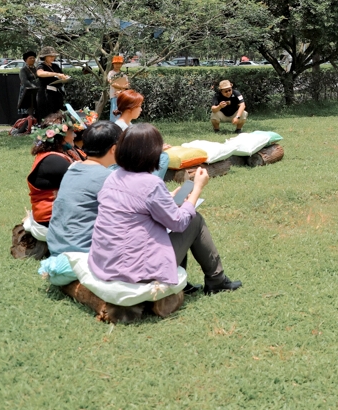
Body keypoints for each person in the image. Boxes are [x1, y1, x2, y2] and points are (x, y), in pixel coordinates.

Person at [88, 123, 242, 294]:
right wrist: (197, 188)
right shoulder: (151, 183)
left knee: (177, 215)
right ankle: (217, 280)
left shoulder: (113, 177)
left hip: (107, 263)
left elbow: (136, 207)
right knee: (194, 220)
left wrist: (168, 198)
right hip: (137, 270)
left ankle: (186, 282)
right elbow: (179, 223)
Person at [46, 121, 120, 255]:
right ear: (114, 149)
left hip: (56, 252)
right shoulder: (109, 178)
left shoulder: (72, 169)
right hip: (84, 255)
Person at [26, 114, 77, 226]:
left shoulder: (54, 156)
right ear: (62, 136)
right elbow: (83, 183)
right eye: (71, 132)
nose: (74, 135)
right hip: (51, 220)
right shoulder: (53, 160)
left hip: (58, 217)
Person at [114, 90, 169, 180]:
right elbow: (131, 153)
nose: (141, 109)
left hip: (130, 163)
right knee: (163, 157)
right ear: (129, 109)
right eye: (139, 106)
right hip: (124, 165)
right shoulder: (121, 127)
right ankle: (151, 183)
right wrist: (156, 150)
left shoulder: (128, 125)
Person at [35, 47, 70, 119]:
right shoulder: (41, 66)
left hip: (56, 93)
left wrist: (64, 77)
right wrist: (56, 74)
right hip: (46, 94)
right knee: (47, 114)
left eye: (54, 56)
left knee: (58, 113)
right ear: (45, 56)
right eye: (50, 56)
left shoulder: (55, 66)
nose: (53, 58)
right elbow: (40, 73)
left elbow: (61, 75)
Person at [16, 51, 39, 124]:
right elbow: (25, 81)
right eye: (30, 58)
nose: (32, 59)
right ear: (26, 60)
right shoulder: (23, 70)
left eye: (33, 58)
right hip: (27, 91)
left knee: (35, 108)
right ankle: (24, 125)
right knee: (27, 108)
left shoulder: (37, 69)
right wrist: (34, 87)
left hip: (36, 91)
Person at [106, 55, 129, 120]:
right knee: (114, 112)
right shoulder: (111, 73)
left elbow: (127, 84)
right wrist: (122, 87)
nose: (117, 65)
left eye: (119, 63)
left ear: (121, 64)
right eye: (116, 63)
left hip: (122, 95)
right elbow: (111, 83)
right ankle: (114, 127)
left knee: (122, 111)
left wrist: (121, 91)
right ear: (113, 64)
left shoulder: (123, 74)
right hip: (114, 95)